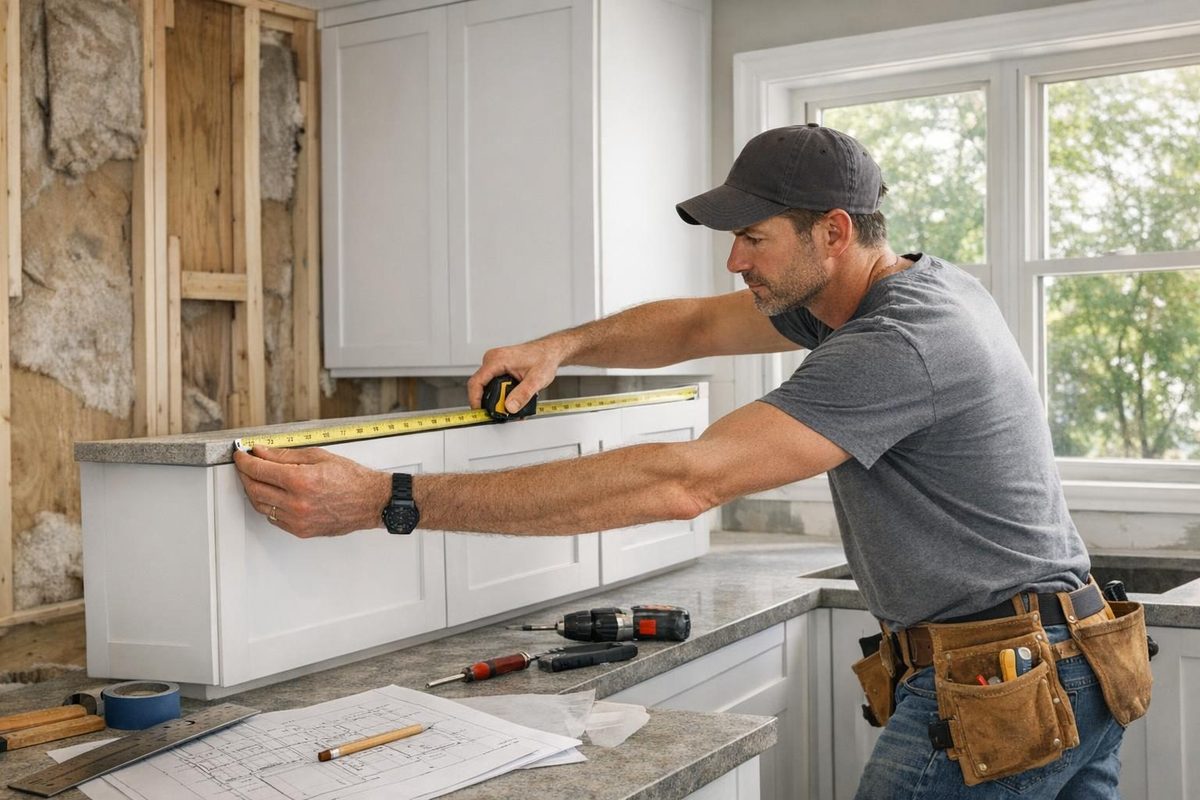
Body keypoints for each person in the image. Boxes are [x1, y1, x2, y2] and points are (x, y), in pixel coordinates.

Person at [235, 124, 1136, 797]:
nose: (735, 258)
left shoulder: (899, 342)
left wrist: (390, 499)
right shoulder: (881, 286)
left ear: (831, 231)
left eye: (754, 236)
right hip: (1069, 662)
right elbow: (698, 324)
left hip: (1006, 678)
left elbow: (684, 481)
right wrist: (559, 345)